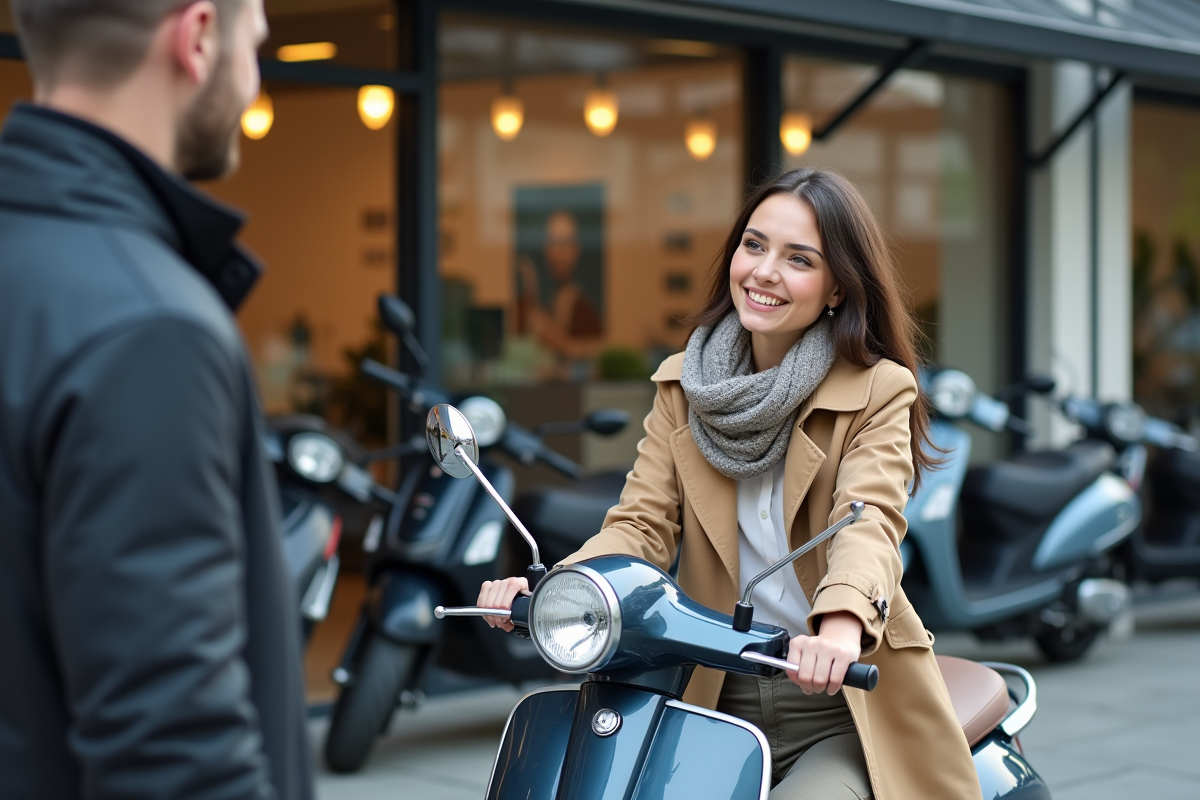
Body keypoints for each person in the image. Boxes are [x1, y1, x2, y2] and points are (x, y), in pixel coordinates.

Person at [477, 168, 983, 799]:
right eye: (754, 245)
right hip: (713, 690)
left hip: (838, 702)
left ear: (836, 289)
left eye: (799, 259)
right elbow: (641, 525)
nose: (765, 271)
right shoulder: (685, 386)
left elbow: (870, 517)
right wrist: (555, 589)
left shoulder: (877, 389)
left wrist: (842, 624)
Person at [0, 2, 314, 798]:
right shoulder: (148, 328)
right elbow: (173, 757)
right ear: (199, 36)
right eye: (255, 26)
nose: (266, 45)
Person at [517, 208, 603, 361]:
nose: (559, 254)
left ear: (576, 249)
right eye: (554, 243)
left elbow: (588, 349)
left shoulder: (583, 305)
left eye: (565, 244)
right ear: (546, 249)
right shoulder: (549, 298)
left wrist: (550, 333)